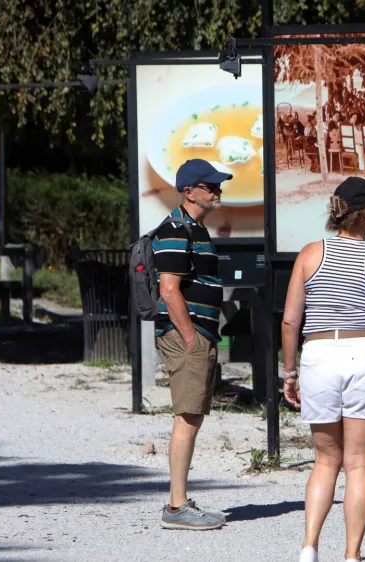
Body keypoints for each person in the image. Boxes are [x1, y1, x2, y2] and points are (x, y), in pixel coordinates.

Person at [280, 177, 365, 562]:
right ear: (363, 216)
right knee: (358, 463)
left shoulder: (308, 254)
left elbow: (289, 321)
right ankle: (351, 555)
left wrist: (289, 372)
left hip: (318, 354)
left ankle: (309, 548)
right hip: (364, 353)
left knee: (325, 460)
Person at [153, 159, 230, 531]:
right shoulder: (175, 229)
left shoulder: (196, 228)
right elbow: (169, 289)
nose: (217, 190)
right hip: (189, 335)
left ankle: (179, 501)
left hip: (200, 334)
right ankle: (176, 506)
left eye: (218, 185)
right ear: (188, 192)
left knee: (193, 416)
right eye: (210, 186)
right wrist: (190, 337)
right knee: (186, 417)